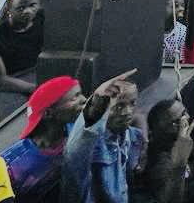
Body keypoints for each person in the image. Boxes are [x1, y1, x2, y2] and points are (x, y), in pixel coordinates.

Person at [60, 68, 142, 203]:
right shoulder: (90, 145)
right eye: (119, 106)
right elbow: (75, 155)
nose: (128, 112)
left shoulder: (129, 136)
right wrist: (96, 106)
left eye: (132, 103)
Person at [1, 76, 87, 200]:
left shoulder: (79, 129)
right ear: (48, 113)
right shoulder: (14, 165)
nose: (83, 99)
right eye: (75, 97)